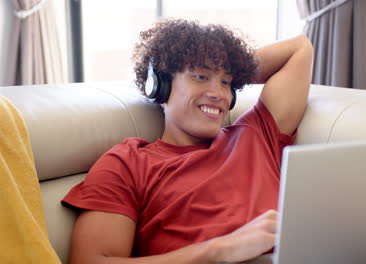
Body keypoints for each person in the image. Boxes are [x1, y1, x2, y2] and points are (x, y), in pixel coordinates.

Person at [62, 19, 313, 264]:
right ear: (160, 85)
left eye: (226, 82)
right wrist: (220, 250)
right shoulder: (127, 163)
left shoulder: (256, 135)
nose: (218, 94)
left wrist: (233, 66)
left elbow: (300, 48)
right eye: (201, 77)